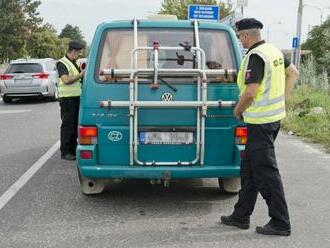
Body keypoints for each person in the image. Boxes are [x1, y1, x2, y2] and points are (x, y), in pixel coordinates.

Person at [220, 18, 298, 236]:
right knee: (249, 170)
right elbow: (294, 73)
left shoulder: (255, 56)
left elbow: (251, 92)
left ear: (245, 36)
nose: (239, 41)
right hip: (270, 121)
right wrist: (283, 99)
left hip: (260, 123)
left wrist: (237, 111)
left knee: (266, 172)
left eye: (239, 36)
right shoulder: (273, 51)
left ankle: (281, 222)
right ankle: (240, 215)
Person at [57, 41, 85, 160]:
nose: (78, 54)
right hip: (67, 99)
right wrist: (80, 75)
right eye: (78, 52)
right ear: (73, 51)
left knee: (74, 125)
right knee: (68, 126)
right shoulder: (62, 63)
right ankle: (65, 151)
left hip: (75, 98)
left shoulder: (72, 62)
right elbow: (66, 80)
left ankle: (73, 150)